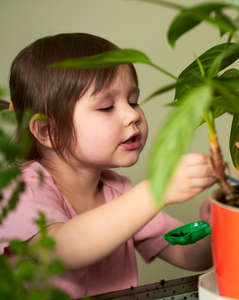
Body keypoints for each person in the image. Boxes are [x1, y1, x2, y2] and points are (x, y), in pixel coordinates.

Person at [0, 33, 215, 298]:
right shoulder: (22, 189)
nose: (133, 114)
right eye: (106, 107)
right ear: (47, 131)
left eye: (133, 100)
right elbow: (63, 249)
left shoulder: (119, 191)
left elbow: (188, 255)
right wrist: (156, 190)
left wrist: (217, 225)